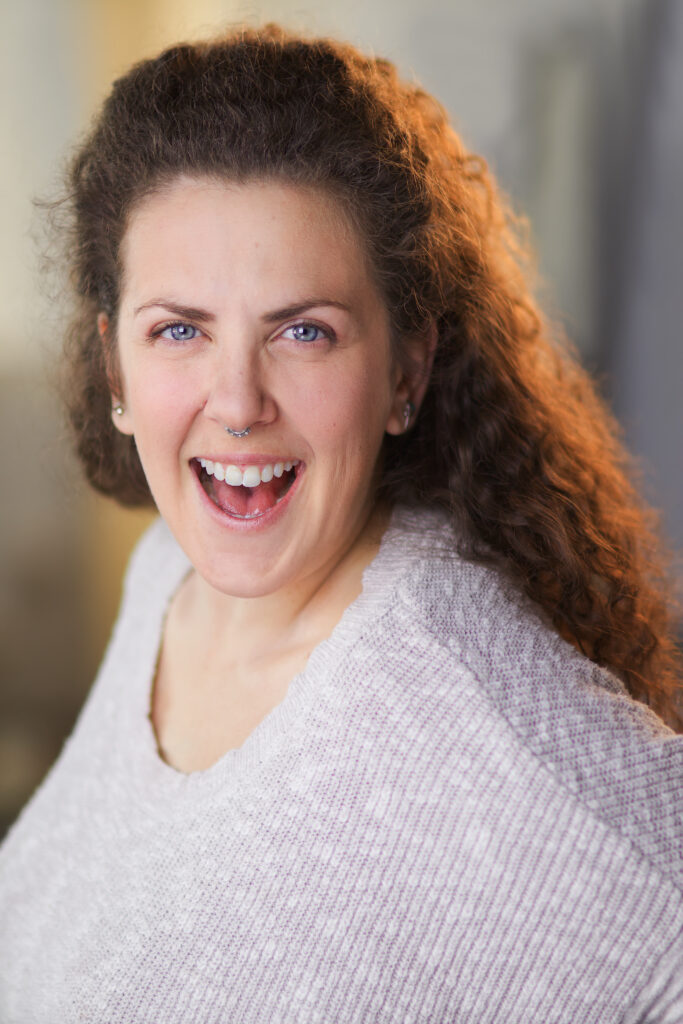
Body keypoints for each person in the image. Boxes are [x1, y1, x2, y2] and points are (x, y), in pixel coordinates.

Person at [0, 23, 681, 1024]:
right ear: (115, 369)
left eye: (301, 330)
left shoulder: (475, 716)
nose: (236, 400)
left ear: (405, 370)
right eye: (179, 329)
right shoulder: (165, 582)